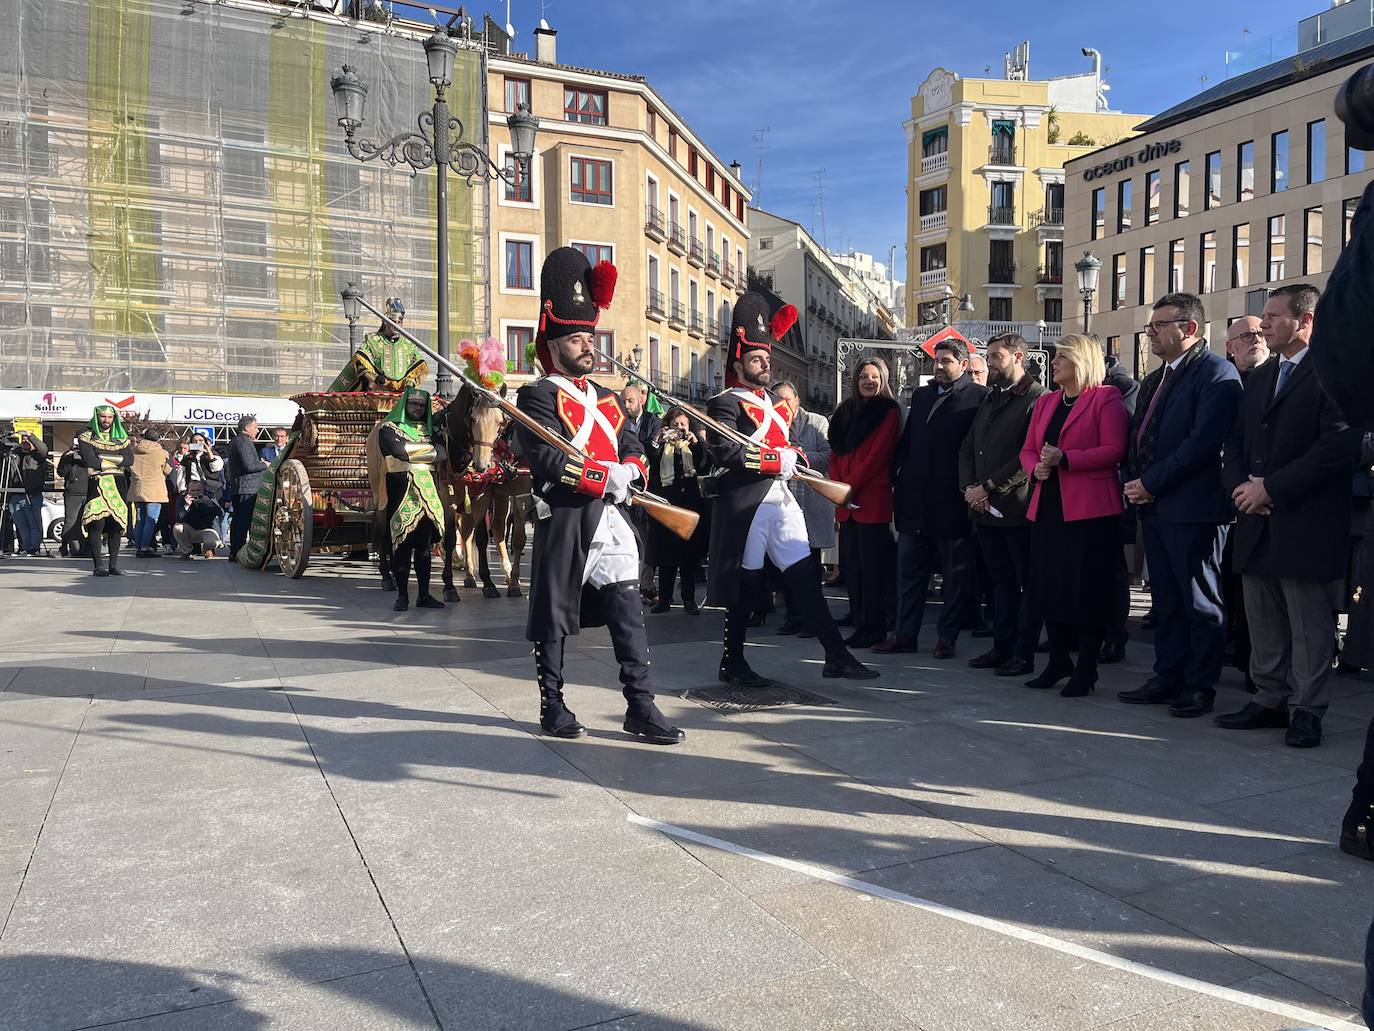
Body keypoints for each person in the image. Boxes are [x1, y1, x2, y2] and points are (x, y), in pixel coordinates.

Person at [515, 246, 684, 745]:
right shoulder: (537, 395)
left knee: (628, 608)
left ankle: (641, 705)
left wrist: (628, 470)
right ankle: (552, 703)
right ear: (554, 342)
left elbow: (634, 446)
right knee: (554, 614)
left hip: (611, 519)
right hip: (568, 516)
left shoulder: (607, 399)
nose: (587, 345)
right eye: (576, 338)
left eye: (589, 336)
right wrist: (600, 477)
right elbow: (548, 460)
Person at [706, 291, 876, 684]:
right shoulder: (725, 404)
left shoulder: (775, 406)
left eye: (767, 358)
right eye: (756, 359)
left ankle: (836, 655)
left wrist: (793, 455)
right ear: (739, 363)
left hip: (780, 500)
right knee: (746, 586)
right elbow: (726, 453)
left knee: (804, 576)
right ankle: (732, 661)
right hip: (747, 504)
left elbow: (786, 447)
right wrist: (773, 459)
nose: (765, 364)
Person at [1217, 285, 1360, 747]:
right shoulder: (1259, 377)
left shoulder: (1335, 375)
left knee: (1309, 624)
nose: (1263, 325)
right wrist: (1242, 488)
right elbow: (1236, 441)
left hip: (1306, 521)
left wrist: (1271, 488)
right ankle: (1269, 697)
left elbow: (1336, 448)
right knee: (1262, 617)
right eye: (1264, 317)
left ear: (1306, 321)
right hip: (1256, 519)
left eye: (1275, 316)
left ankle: (1307, 709)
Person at [1118, 293, 1243, 717]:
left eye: (1158, 325)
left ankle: (1198, 685)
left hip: (1194, 508)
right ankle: (1167, 674)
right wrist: (1136, 483)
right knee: (1167, 600)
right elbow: (1142, 434)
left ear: (1188, 329)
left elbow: (1201, 445)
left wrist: (1150, 483)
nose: (1149, 332)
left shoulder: (1216, 374)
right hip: (1155, 506)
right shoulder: (1157, 378)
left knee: (1199, 600)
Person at [1019, 334, 1129, 696]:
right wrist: (1036, 467)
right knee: (1048, 586)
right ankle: (1057, 661)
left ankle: (1086, 668)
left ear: (1081, 360)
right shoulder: (1047, 402)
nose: (1054, 363)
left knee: (1086, 590)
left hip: (1090, 510)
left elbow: (1115, 449)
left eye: (1061, 357)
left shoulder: (1105, 397)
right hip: (1048, 504)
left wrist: (1067, 459)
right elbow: (1028, 449)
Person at [877, 337, 988, 657]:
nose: (938, 366)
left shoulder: (979, 397)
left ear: (964, 365)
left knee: (954, 577)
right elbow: (909, 440)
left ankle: (947, 637)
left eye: (946, 361)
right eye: (936, 361)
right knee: (909, 574)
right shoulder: (922, 395)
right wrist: (898, 474)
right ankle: (904, 635)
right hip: (914, 502)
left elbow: (979, 449)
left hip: (953, 503)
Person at [960, 333, 1046, 677]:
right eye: (989, 356)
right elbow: (968, 446)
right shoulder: (991, 397)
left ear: (1018, 357)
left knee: (1025, 583)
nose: (991, 362)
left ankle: (1023, 653)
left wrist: (990, 488)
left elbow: (1028, 454)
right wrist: (970, 488)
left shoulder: (1038, 398)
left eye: (996, 356)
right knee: (1000, 583)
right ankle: (1001, 647)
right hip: (983, 508)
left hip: (1016, 509)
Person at [828, 359, 899, 649]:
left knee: (874, 569)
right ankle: (858, 616)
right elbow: (834, 452)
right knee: (852, 566)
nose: (869, 381)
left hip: (870, 497)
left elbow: (877, 457)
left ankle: (875, 625)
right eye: (863, 377)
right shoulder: (845, 411)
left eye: (875, 377)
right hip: (846, 499)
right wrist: (836, 487)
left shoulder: (888, 411)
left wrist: (847, 488)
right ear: (855, 381)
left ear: (883, 380)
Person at [378, 388, 447, 612]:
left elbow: (442, 453)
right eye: (414, 404)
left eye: (421, 405)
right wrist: (428, 451)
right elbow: (398, 451)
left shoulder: (430, 430)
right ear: (404, 405)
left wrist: (413, 450)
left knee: (424, 549)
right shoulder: (388, 429)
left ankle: (424, 595)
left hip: (427, 495)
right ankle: (403, 596)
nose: (417, 408)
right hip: (400, 493)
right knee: (402, 548)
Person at [774, 381, 835, 637]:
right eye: (778, 400)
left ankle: (813, 618)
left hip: (812, 503)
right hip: (785, 504)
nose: (783, 404)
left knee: (810, 565)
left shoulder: (818, 422)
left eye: (787, 399)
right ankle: (793, 615)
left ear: (797, 400)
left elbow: (829, 455)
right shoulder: (773, 425)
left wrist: (797, 456)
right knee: (787, 565)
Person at [1099, 348, 1141, 664]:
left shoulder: (1122, 388)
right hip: (1077, 496)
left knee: (1112, 570)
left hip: (1113, 493)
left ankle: (1114, 636)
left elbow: (1117, 444)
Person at [646, 407, 709, 615]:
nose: (679, 429)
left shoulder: (692, 446)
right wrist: (659, 439)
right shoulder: (662, 446)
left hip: (690, 504)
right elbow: (651, 456)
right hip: (667, 504)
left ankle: (689, 599)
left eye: (683, 425)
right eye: (676, 425)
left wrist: (696, 442)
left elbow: (703, 464)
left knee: (688, 557)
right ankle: (664, 598)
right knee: (666, 555)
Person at [77, 405, 134, 576]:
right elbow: (89, 460)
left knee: (116, 526)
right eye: (103, 417)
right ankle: (98, 566)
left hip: (119, 483)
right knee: (97, 523)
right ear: (97, 417)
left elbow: (129, 460)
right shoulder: (86, 436)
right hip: (98, 482)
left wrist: (101, 458)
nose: (106, 420)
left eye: (110, 417)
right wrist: (116, 460)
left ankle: (114, 565)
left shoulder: (121, 438)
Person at [329, 297, 428, 392]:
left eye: (399, 322)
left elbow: (417, 369)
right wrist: (375, 378)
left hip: (400, 395)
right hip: (376, 391)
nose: (396, 325)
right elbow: (359, 363)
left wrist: (409, 385)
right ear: (385, 322)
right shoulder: (373, 340)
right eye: (393, 322)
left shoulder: (409, 345)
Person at [620, 382, 662, 602]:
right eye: (623, 401)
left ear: (641, 400)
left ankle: (646, 585)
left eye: (630, 400)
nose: (626, 405)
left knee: (647, 540)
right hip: (623, 490)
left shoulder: (653, 422)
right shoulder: (618, 422)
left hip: (648, 489)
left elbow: (652, 452)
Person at [227, 416, 268, 562]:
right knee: (243, 522)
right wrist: (265, 465)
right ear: (247, 428)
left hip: (241, 487)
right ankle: (239, 552)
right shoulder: (243, 442)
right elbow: (250, 466)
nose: (257, 430)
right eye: (255, 427)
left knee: (239, 521)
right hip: (247, 488)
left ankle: (236, 552)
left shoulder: (236, 441)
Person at [3, 428, 48, 556]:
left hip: (31, 494)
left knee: (34, 523)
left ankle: (34, 547)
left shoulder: (37, 456)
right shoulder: (15, 455)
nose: (25, 442)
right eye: (23, 440)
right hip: (15, 493)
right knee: (21, 524)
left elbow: (43, 449)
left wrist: (30, 436)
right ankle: (25, 547)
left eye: (28, 440)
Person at [129, 430, 172, 558]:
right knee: (150, 520)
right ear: (157, 440)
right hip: (154, 489)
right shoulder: (161, 453)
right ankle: (145, 547)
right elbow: (167, 470)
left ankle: (138, 547)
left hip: (137, 488)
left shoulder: (133, 451)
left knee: (140, 519)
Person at [56, 441, 88, 557]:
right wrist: (67, 459)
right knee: (70, 522)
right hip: (73, 493)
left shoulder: (90, 453)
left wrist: (86, 455)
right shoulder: (68, 456)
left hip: (89, 491)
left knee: (89, 521)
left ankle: (88, 547)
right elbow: (61, 472)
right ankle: (63, 548)